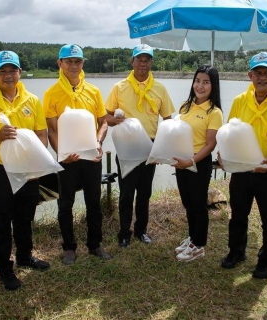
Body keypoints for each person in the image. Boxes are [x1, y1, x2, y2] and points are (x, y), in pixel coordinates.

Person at [0, 51, 50, 291]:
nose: (8, 75)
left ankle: (25, 257)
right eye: (3, 71)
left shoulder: (32, 100)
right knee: (2, 222)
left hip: (27, 171)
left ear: (20, 72)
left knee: (25, 218)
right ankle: (5, 268)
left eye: (13, 70)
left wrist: (37, 164)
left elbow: (42, 134)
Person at [219, 52, 267, 279]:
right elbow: (229, 131)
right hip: (242, 170)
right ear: (249, 75)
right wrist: (223, 153)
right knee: (238, 214)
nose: (262, 78)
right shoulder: (240, 101)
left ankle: (266, 260)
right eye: (258, 73)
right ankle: (236, 252)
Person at [43, 44, 111, 265]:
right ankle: (69, 247)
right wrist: (61, 154)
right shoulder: (51, 94)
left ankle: (95, 244)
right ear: (59, 63)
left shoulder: (93, 91)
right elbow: (51, 129)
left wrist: (98, 143)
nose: (73, 66)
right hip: (68, 160)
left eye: (78, 61)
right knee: (65, 204)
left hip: (91, 157)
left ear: (82, 64)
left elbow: (103, 123)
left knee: (93, 202)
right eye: (69, 61)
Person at [105, 44, 175, 248]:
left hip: (151, 146)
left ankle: (141, 231)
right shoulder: (119, 87)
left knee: (145, 193)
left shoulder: (160, 88)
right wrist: (114, 120)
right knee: (127, 193)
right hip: (127, 146)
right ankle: (124, 233)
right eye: (139, 59)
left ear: (151, 62)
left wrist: (162, 149)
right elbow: (106, 117)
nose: (143, 63)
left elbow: (168, 120)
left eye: (147, 59)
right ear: (132, 61)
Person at [171, 65, 223, 262]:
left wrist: (191, 161)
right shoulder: (186, 106)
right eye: (197, 81)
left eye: (206, 82)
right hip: (182, 160)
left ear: (213, 85)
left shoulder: (214, 112)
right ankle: (193, 238)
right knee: (187, 202)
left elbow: (210, 144)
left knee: (198, 204)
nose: (200, 86)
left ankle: (199, 245)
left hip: (198, 162)